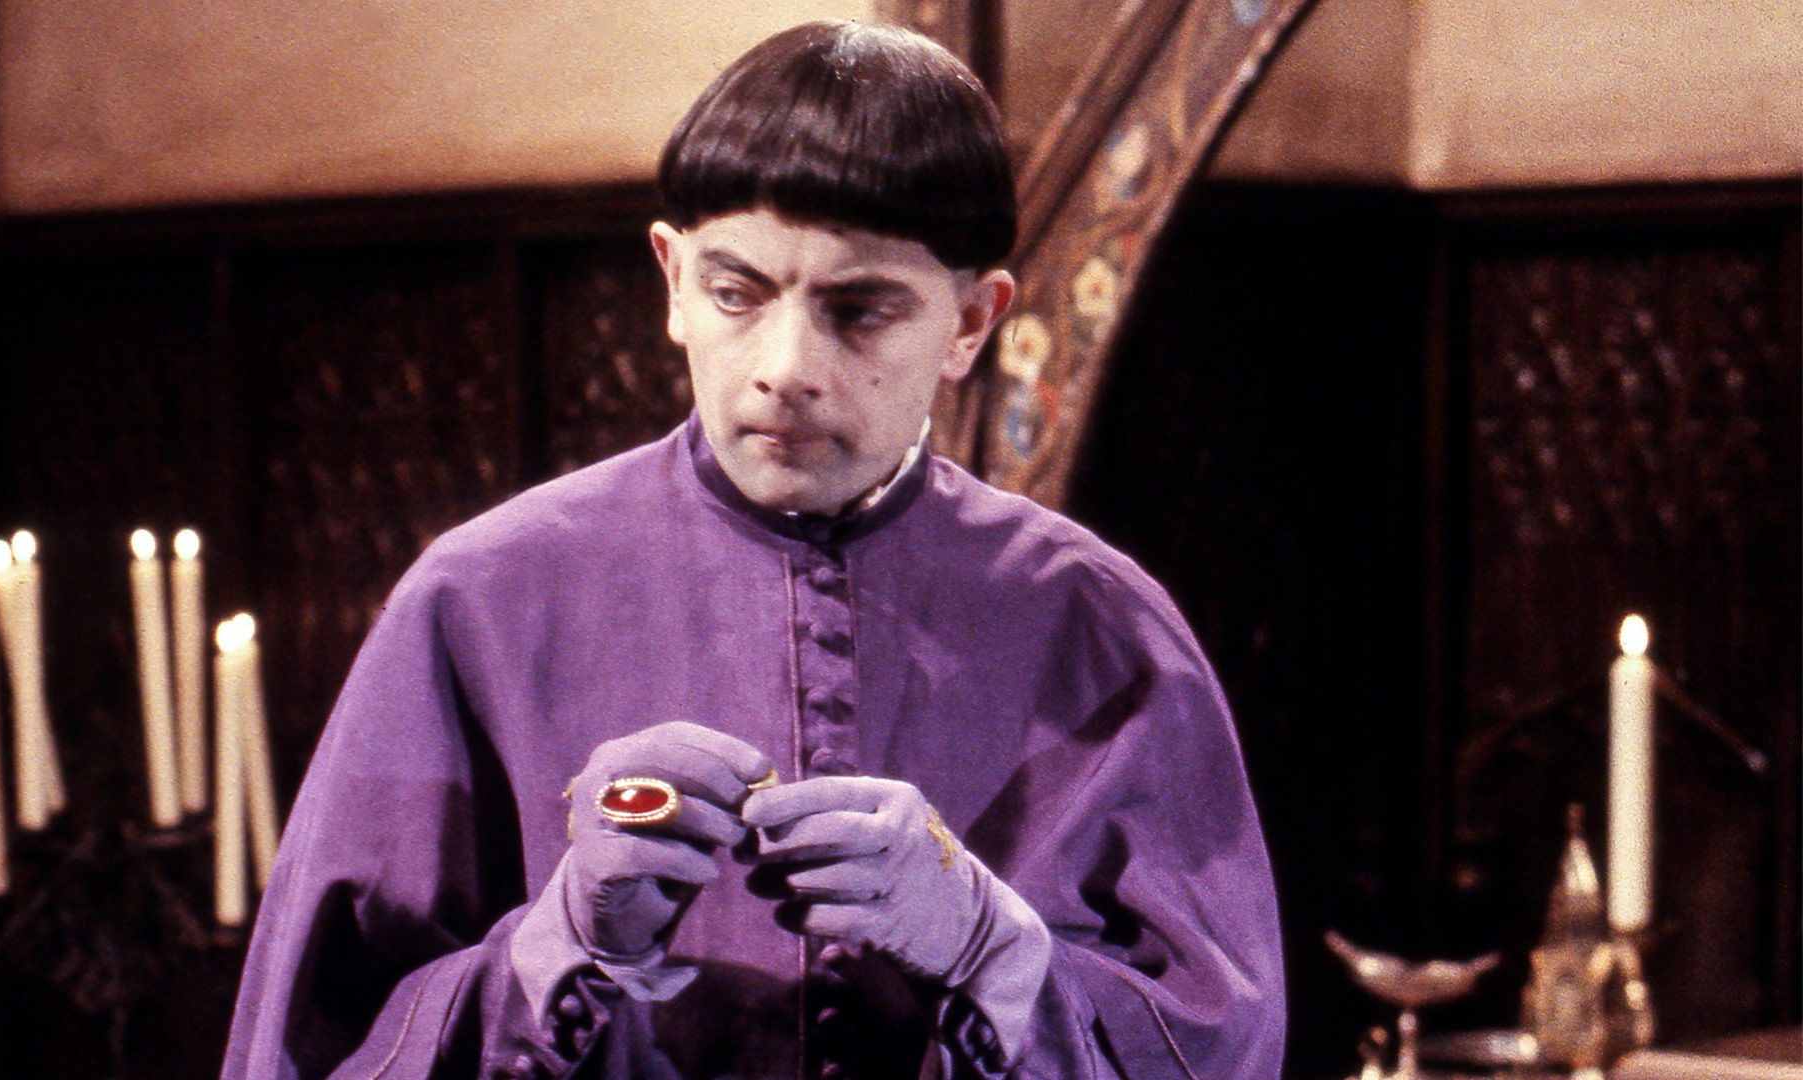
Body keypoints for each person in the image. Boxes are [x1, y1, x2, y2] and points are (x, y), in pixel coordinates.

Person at [222, 19, 1283, 1080]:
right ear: (672, 281)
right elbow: (312, 1046)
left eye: (859, 312)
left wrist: (992, 952)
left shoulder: (1101, 624)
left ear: (970, 321)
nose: (786, 368)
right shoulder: (475, 598)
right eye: (737, 294)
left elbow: (1220, 1048)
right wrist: (563, 947)